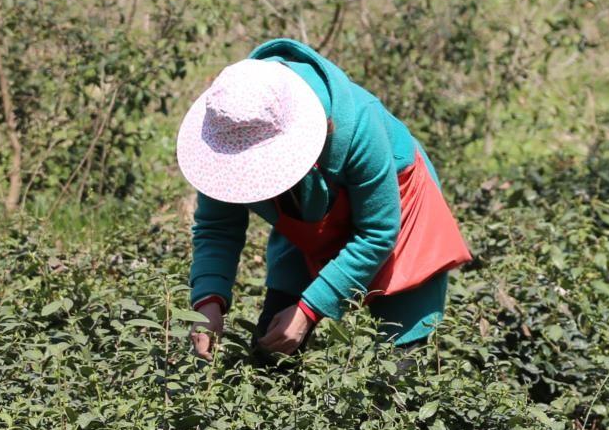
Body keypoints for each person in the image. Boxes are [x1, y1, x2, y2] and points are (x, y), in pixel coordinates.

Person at [180, 38, 472, 359]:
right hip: (306, 214)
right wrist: (208, 301)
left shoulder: (359, 124)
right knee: (272, 354)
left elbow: (377, 233)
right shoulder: (229, 128)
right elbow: (217, 227)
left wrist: (309, 310)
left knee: (394, 369)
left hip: (400, 216)